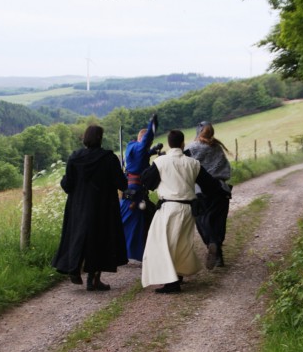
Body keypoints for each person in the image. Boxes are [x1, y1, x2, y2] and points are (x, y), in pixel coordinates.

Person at [140, 129, 221, 294]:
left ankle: (172, 282)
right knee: (181, 244)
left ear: (169, 143)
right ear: (183, 143)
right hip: (188, 208)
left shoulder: (161, 162)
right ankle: (177, 274)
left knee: (164, 245)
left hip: (169, 209)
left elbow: (147, 181)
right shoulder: (193, 163)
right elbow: (210, 185)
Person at [52, 124, 128, 291]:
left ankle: (74, 268)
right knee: (100, 239)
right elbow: (122, 184)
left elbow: (67, 185)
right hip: (103, 207)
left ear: (85, 138)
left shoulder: (74, 157)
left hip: (78, 205)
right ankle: (93, 279)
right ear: (100, 138)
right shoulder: (109, 158)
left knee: (77, 235)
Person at [185, 121, 233, 269]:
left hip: (200, 190)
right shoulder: (217, 147)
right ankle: (218, 254)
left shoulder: (191, 148)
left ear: (198, 132)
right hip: (220, 189)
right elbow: (226, 169)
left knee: (202, 220)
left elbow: (183, 166)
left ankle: (211, 244)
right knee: (219, 221)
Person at [120, 114, 163, 262]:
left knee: (140, 218)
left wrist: (153, 151)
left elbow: (143, 154)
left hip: (134, 189)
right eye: (147, 143)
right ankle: (131, 253)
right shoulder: (138, 147)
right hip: (134, 192)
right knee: (133, 221)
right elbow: (144, 145)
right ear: (142, 139)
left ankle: (138, 251)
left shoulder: (133, 148)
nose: (147, 145)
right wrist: (152, 125)